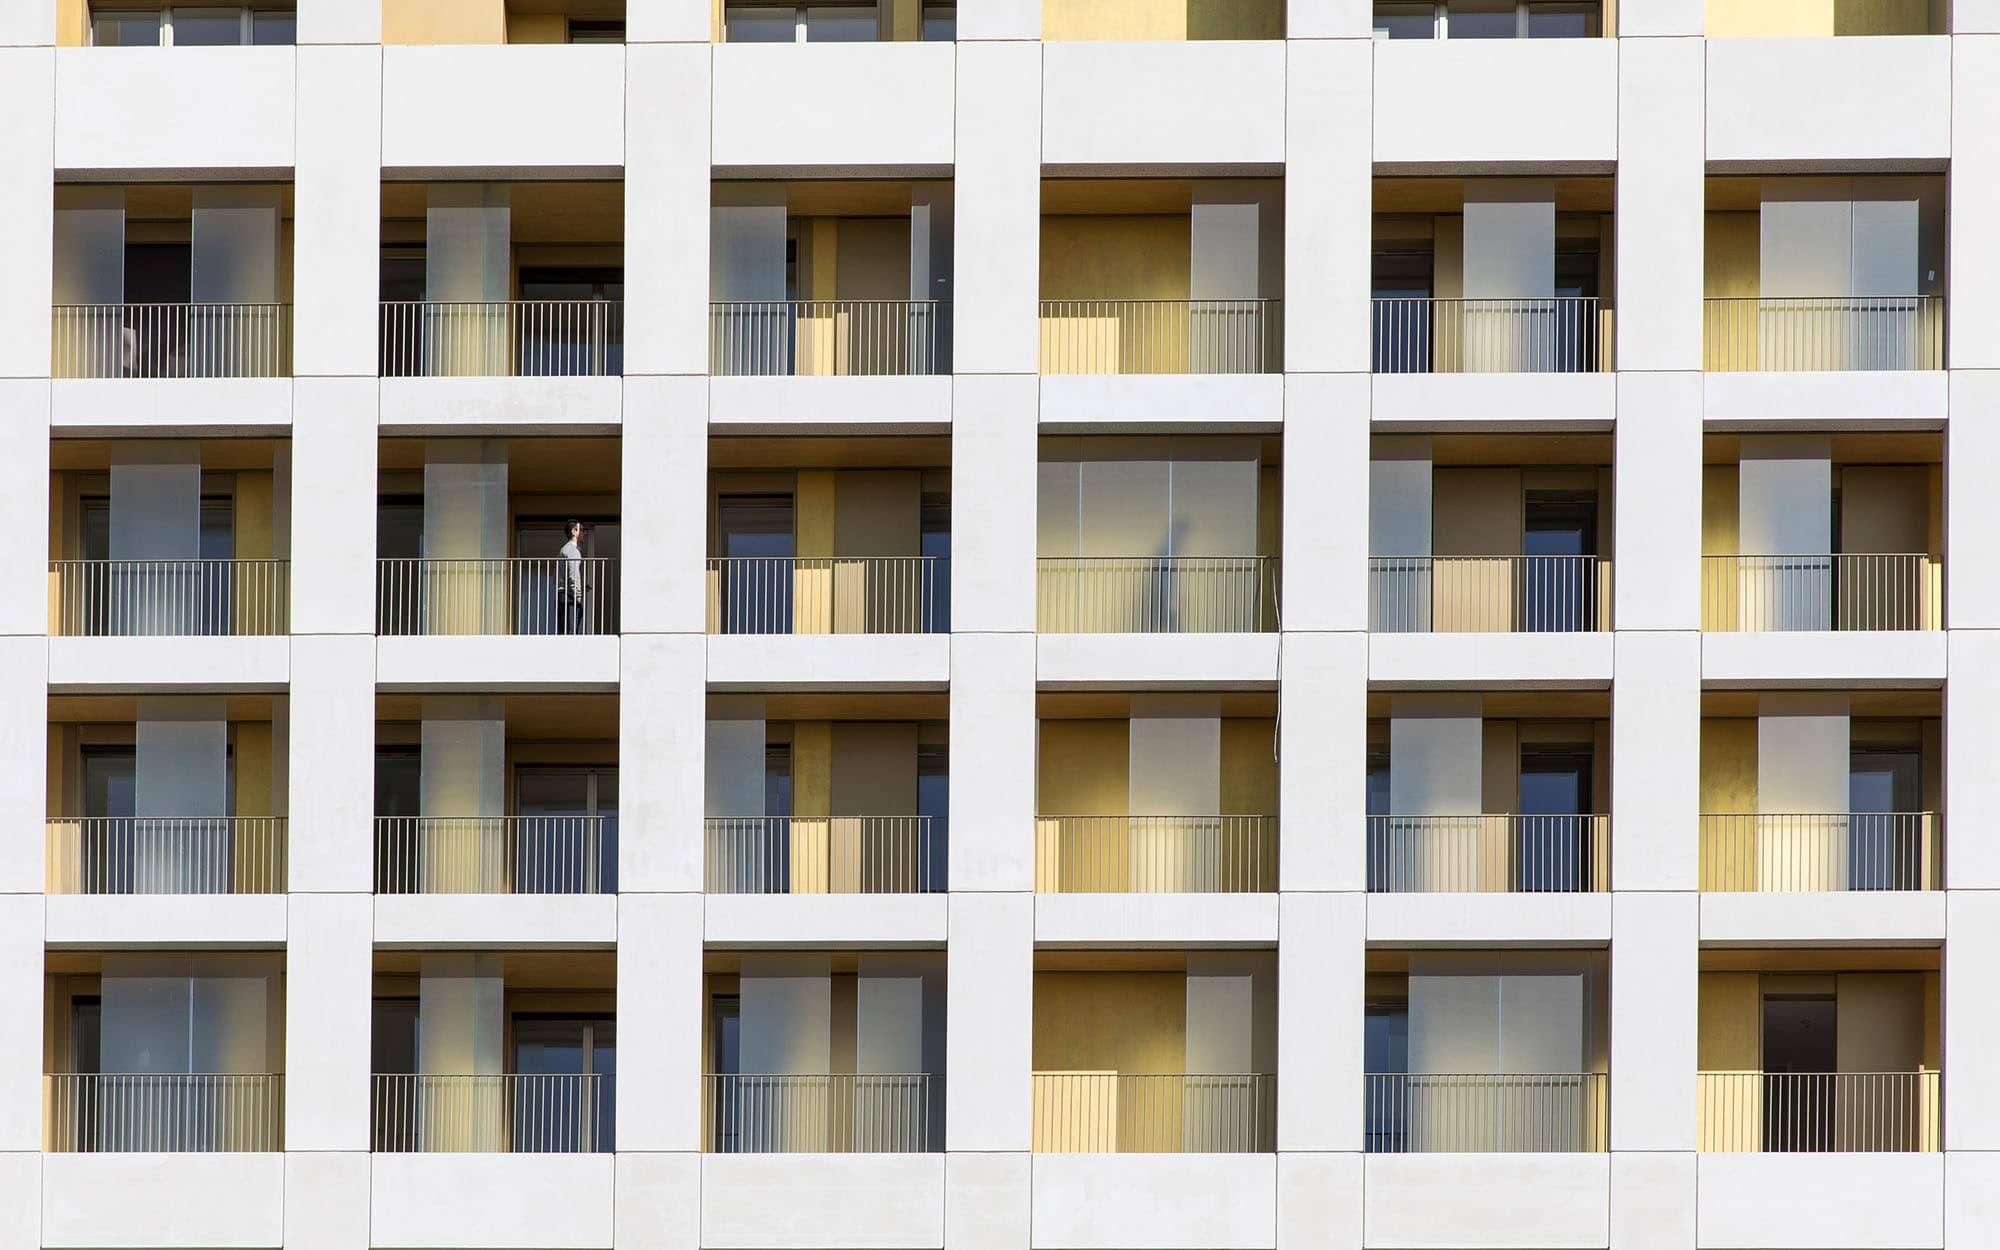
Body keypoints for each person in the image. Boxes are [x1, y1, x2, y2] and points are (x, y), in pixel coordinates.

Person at [558, 520, 586, 634]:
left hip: (564, 595)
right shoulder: (572, 550)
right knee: (571, 633)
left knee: (564, 632)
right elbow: (572, 576)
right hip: (569, 596)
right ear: (574, 531)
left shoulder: (565, 549)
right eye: (582, 530)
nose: (585, 533)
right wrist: (578, 597)